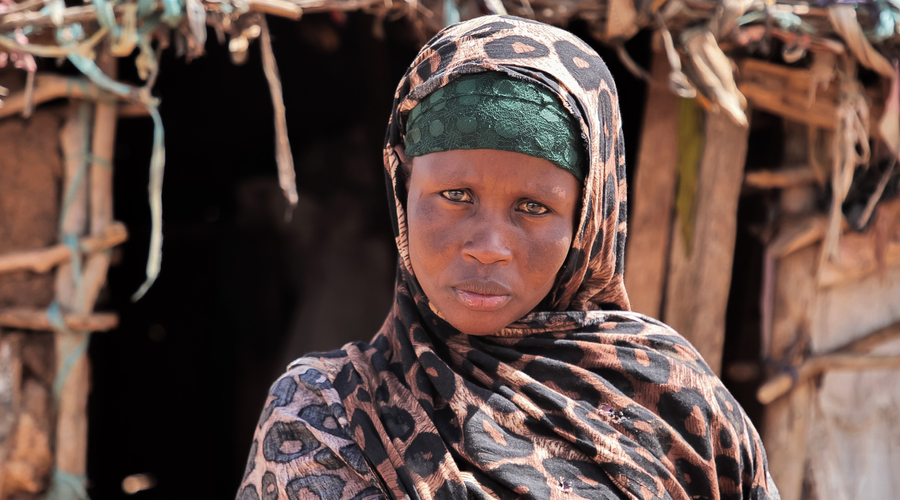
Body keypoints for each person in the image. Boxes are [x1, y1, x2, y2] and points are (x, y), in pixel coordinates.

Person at [237, 15, 780, 500]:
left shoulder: (677, 403)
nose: (489, 247)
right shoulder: (327, 416)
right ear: (403, 187)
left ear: (588, 220)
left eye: (533, 206)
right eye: (455, 197)